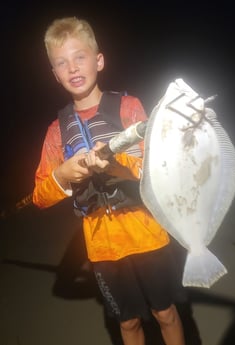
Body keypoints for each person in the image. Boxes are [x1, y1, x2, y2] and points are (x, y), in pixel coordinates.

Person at [32, 16, 187, 345]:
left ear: (99, 60)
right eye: (62, 63)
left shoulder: (130, 108)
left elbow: (157, 168)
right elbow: (39, 197)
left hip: (148, 234)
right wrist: (62, 175)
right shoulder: (55, 132)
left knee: (165, 313)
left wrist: (118, 165)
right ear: (55, 75)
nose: (72, 68)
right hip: (102, 246)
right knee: (128, 323)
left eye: (80, 56)